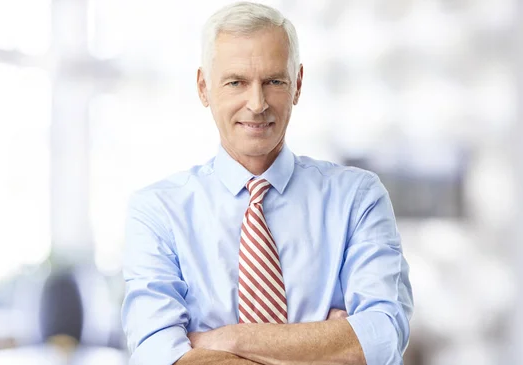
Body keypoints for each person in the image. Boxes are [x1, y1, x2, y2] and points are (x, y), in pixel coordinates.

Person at [121, 2, 414, 364]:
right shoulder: (157, 211)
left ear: (298, 85)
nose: (257, 103)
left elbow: (381, 339)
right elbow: (157, 355)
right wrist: (325, 343)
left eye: (274, 81)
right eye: (236, 82)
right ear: (203, 88)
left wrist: (225, 340)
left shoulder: (358, 198)